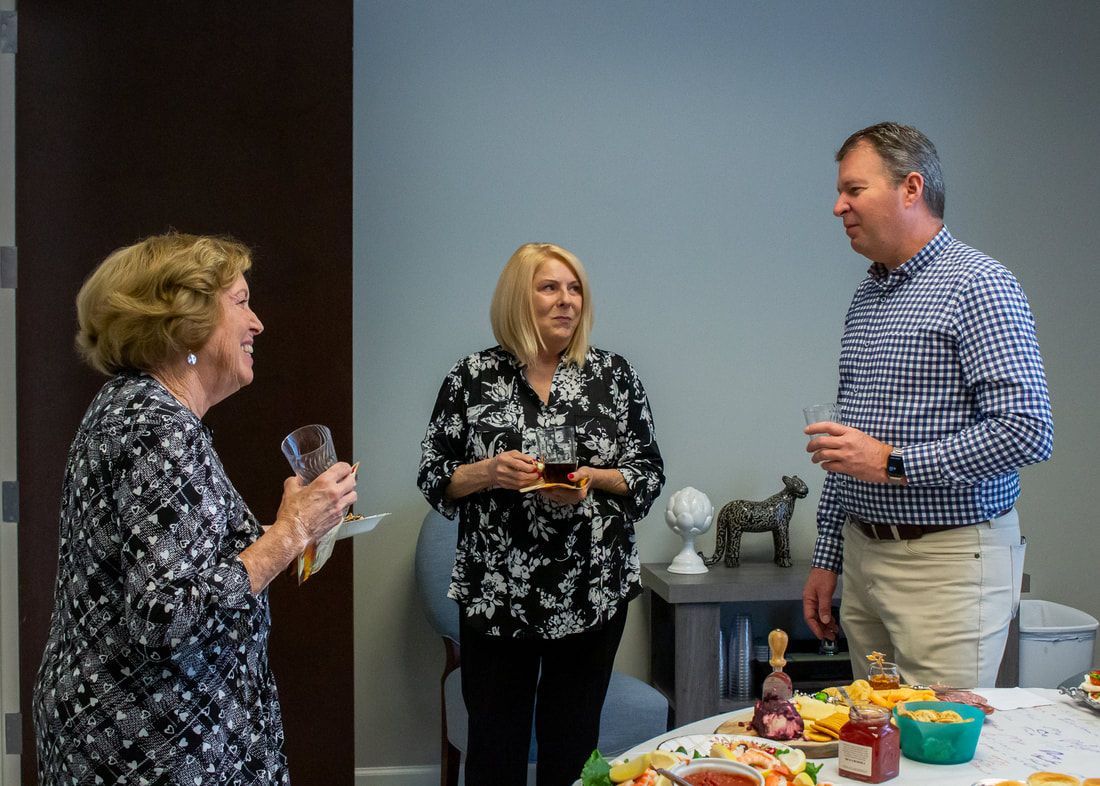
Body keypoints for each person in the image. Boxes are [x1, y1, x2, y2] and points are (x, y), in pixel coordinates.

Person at [33, 232, 358, 785]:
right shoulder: (154, 426)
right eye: (240, 302)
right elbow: (164, 615)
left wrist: (288, 531)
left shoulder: (136, 409)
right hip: (151, 745)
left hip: (145, 731)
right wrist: (289, 531)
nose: (257, 323)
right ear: (183, 321)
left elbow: (174, 562)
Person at [801, 122, 1054, 689]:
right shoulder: (867, 296)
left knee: (938, 746)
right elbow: (850, 447)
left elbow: (1028, 430)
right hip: (864, 555)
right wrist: (828, 555)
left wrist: (894, 463)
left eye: (854, 190)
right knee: (872, 745)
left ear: (911, 188)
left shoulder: (980, 284)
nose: (838, 206)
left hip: (948, 565)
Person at [418, 242, 665, 786]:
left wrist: (590, 479)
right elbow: (434, 476)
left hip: (591, 590)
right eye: (550, 287)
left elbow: (647, 473)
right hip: (497, 591)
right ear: (517, 297)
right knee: (495, 746)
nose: (566, 301)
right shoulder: (471, 378)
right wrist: (490, 473)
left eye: (574, 288)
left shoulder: (614, 377)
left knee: (573, 746)